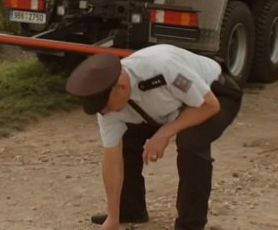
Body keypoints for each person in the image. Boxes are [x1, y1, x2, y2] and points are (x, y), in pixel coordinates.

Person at [66, 44, 243, 230]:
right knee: (125, 137)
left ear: (122, 87)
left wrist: (165, 133)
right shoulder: (107, 105)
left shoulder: (163, 67)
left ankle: (191, 225)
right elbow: (112, 159)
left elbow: (209, 106)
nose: (105, 112)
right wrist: (113, 216)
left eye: (106, 106)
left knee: (191, 143)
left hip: (214, 96)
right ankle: (130, 209)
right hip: (166, 110)